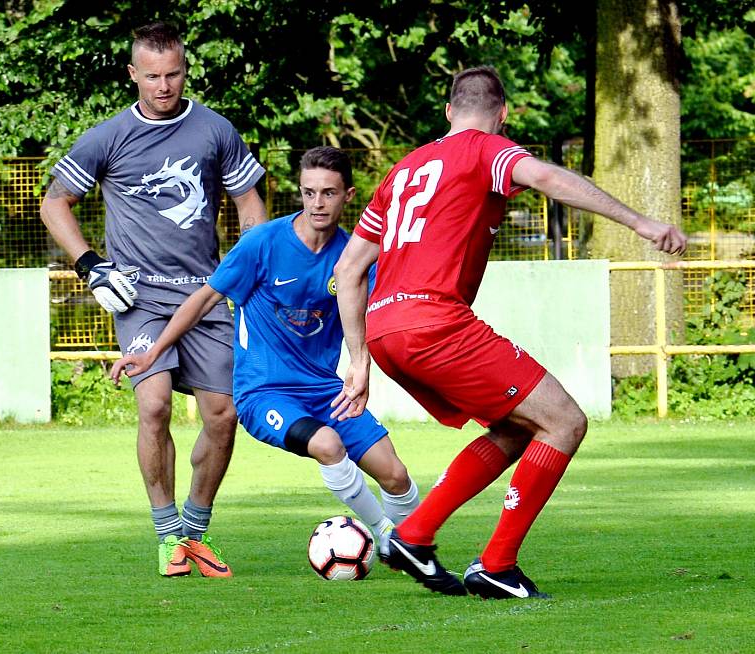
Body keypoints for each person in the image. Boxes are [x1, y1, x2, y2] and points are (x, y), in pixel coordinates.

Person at [332, 65, 687, 599]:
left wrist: (358, 361)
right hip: (435, 323)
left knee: (521, 426)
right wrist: (641, 223)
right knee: (564, 421)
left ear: (449, 111)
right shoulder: (485, 150)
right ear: (503, 115)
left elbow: (348, 271)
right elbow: (548, 178)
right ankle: (497, 565)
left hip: (386, 332)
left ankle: (415, 533)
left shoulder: (401, 172)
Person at [40, 22, 267, 578]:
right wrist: (90, 266)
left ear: (185, 71)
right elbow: (54, 203)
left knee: (223, 415)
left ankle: (195, 529)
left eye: (174, 74)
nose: (163, 85)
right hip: (138, 297)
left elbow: (251, 207)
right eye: (152, 76)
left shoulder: (216, 130)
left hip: (208, 296)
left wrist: (248, 272)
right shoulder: (107, 137)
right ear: (133, 74)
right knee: (155, 405)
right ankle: (168, 537)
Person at [110, 146, 419, 552]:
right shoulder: (263, 243)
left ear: (348, 195)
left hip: (326, 391)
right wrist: (153, 352)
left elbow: (377, 319)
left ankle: (407, 546)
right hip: (265, 392)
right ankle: (384, 538)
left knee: (396, 476)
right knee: (328, 445)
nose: (317, 203)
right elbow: (204, 298)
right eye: (309, 192)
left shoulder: (355, 256)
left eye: (328, 192)